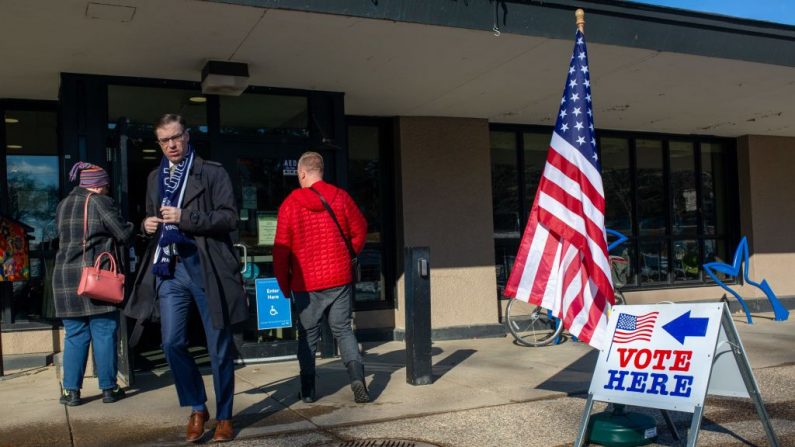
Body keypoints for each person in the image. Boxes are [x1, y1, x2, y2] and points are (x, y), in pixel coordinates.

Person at [125, 114, 247, 443]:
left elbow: (229, 217)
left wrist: (186, 217)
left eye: (176, 137)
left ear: (187, 136)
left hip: (206, 268)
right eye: (165, 140)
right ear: (159, 143)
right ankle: (197, 406)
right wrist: (146, 225)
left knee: (219, 348)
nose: (172, 145)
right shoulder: (155, 178)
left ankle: (224, 416)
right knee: (170, 343)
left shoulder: (211, 172)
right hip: (169, 269)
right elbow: (153, 216)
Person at [273, 151, 369, 404]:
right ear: (321, 171)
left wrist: (284, 285)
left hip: (305, 284)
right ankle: (358, 380)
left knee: (308, 335)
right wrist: (348, 255)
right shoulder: (341, 198)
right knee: (342, 330)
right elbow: (360, 230)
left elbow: (281, 251)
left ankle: (307, 390)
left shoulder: (290, 204)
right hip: (339, 277)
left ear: (302, 173)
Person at [53, 162, 134, 406]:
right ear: (98, 186)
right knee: (103, 332)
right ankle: (109, 389)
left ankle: (71, 392)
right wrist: (134, 225)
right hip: (95, 278)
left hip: (65, 279)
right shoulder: (99, 202)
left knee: (75, 335)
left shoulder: (62, 204)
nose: (108, 190)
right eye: (107, 186)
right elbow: (123, 234)